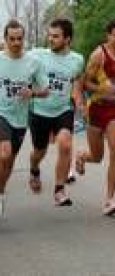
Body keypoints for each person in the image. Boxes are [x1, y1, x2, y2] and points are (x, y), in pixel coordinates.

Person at [75, 20, 115, 216]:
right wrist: (101, 88)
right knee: (97, 156)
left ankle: (110, 199)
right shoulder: (98, 55)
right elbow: (84, 83)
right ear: (108, 35)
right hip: (97, 108)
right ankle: (82, 156)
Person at [28, 19, 84, 206]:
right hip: (39, 111)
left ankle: (59, 190)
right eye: (49, 35)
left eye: (56, 36)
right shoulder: (37, 55)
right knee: (39, 151)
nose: (50, 39)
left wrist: (80, 103)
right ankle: (34, 169)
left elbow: (76, 83)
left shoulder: (77, 60)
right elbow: (15, 58)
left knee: (65, 144)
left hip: (63, 109)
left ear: (67, 39)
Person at [0, 19, 49, 218]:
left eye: (19, 38)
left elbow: (46, 91)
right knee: (4, 153)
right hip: (0, 113)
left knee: (9, 163)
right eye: (12, 39)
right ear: (4, 40)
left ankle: (1, 193)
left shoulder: (33, 63)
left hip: (20, 120)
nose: (16, 42)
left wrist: (33, 93)